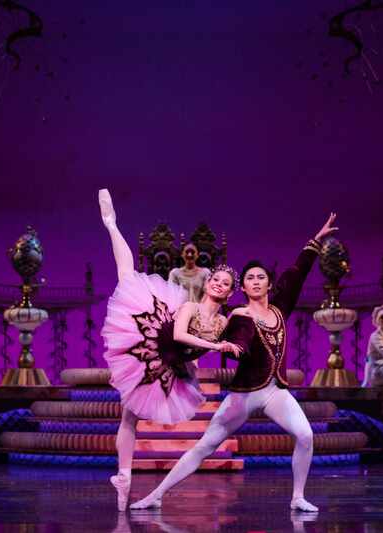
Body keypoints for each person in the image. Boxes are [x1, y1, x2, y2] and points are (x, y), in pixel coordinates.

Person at [130, 212, 339, 513]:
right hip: (244, 394)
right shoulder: (240, 316)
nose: (255, 281)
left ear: (268, 285)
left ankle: (297, 497)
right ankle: (157, 494)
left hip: (274, 391)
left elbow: (297, 273)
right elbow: (236, 345)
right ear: (242, 289)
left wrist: (315, 242)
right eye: (250, 278)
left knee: (305, 435)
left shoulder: (280, 309)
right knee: (205, 446)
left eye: (260, 277)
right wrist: (233, 347)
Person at [98, 189, 242, 511]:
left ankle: (124, 478)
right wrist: (217, 345)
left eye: (225, 284)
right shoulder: (190, 306)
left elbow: (228, 341)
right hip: (154, 335)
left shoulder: (223, 323)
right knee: (127, 277)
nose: (219, 284)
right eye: (216, 280)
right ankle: (111, 224)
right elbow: (180, 334)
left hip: (169, 364)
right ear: (207, 284)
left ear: (231, 293)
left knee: (130, 414)